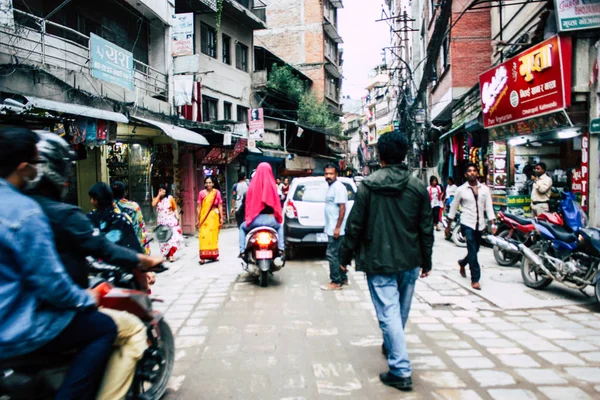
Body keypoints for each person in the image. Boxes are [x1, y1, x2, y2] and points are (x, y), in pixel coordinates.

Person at [26, 132, 164, 400]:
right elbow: (115, 247)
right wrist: (147, 261)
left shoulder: (21, 209)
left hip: (21, 313)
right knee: (122, 328)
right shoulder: (73, 215)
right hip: (50, 314)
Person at [0, 127, 117, 399]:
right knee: (104, 328)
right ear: (23, 167)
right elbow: (51, 284)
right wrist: (87, 298)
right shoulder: (26, 213)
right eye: (35, 163)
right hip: (16, 328)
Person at [339, 132, 433, 391]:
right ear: (404, 154)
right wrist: (428, 259)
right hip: (410, 259)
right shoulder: (417, 187)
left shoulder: (368, 185)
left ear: (379, 155)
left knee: (390, 313)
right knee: (398, 311)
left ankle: (401, 370)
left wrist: (343, 257)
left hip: (378, 260)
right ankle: (393, 344)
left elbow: (354, 225)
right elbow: (426, 227)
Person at [446, 163, 496, 290]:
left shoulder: (484, 189)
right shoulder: (461, 190)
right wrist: (448, 226)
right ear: (465, 174)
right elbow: (453, 207)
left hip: (480, 225)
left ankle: (462, 263)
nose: (472, 173)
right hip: (467, 223)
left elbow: (489, 207)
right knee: (473, 250)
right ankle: (475, 279)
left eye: (474, 170)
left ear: (477, 173)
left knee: (475, 250)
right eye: (469, 171)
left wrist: (493, 222)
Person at [238, 162, 285, 259]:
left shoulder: (251, 188)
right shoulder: (273, 188)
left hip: (254, 221)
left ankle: (242, 251)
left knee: (242, 228)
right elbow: (277, 205)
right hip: (270, 220)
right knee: (280, 227)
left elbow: (246, 206)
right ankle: (281, 249)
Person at [88, 182, 144, 254]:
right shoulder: (130, 211)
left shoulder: (90, 218)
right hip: (125, 254)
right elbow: (140, 227)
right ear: (124, 192)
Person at [321, 164, 349, 291]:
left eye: (331, 174)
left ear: (336, 174)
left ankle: (335, 281)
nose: (328, 176)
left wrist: (337, 228)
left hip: (336, 229)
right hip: (331, 227)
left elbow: (342, 208)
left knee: (331, 254)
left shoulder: (338, 187)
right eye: (326, 174)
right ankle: (342, 277)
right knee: (336, 254)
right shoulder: (331, 187)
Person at [112, 181, 150, 254]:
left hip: (115, 249)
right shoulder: (134, 206)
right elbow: (140, 227)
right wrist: (144, 250)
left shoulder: (108, 207)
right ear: (125, 193)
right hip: (132, 246)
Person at [152, 184, 183, 262]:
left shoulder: (170, 198)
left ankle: (171, 255)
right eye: (160, 190)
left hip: (170, 221)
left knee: (171, 238)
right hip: (161, 222)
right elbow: (153, 204)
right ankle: (166, 254)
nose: (162, 191)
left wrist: (177, 217)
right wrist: (159, 195)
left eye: (163, 190)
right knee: (164, 239)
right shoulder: (156, 199)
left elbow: (174, 208)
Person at [197, 176, 224, 264]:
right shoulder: (201, 193)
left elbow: (220, 205)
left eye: (210, 182)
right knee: (203, 236)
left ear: (213, 183)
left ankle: (213, 255)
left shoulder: (217, 193)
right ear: (205, 184)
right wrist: (198, 219)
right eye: (207, 183)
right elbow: (199, 207)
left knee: (213, 236)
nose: (208, 184)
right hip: (204, 218)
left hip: (214, 217)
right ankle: (203, 257)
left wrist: (221, 218)